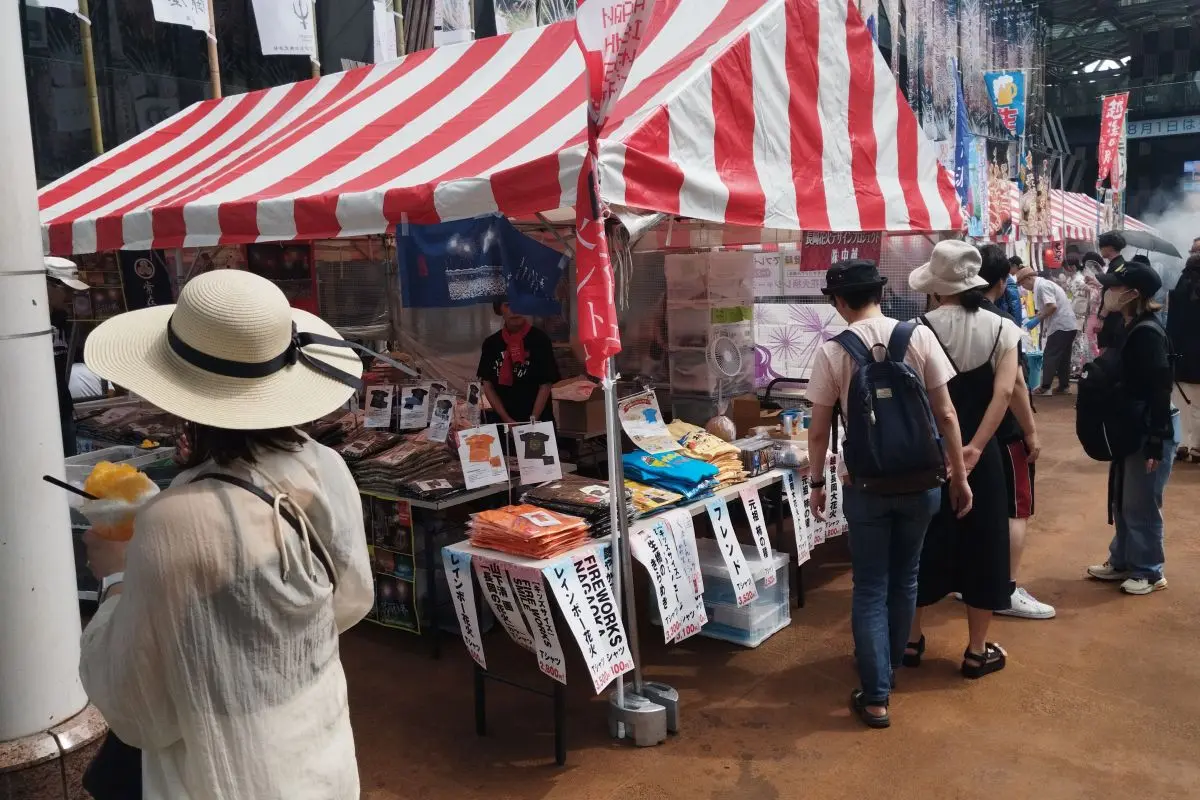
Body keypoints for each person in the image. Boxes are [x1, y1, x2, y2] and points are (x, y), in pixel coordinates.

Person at [78, 270, 374, 799]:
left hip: (227, 773)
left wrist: (116, 576)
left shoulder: (172, 520)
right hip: (318, 748)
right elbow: (351, 601)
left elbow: (138, 710)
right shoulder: (325, 465)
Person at [806, 259, 971, 728]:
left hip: (866, 487)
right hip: (922, 483)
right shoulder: (918, 337)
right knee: (905, 578)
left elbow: (818, 431)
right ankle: (889, 669)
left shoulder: (833, 351)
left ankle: (876, 694)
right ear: (880, 293)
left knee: (870, 586)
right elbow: (946, 415)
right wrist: (960, 476)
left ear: (839, 301)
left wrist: (816, 483)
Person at [906, 240, 1020, 679]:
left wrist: (949, 450)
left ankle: (911, 641)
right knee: (984, 546)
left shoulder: (915, 330)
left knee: (921, 544)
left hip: (931, 454)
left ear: (936, 288)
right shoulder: (1003, 328)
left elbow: (919, 399)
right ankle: (975, 652)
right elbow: (1005, 393)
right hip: (983, 457)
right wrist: (974, 448)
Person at [1086, 260, 1180, 595]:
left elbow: (1160, 388)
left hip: (1150, 424)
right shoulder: (1130, 326)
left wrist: (1156, 439)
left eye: (1114, 287)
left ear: (1133, 294)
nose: (1108, 292)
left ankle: (1149, 571)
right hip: (1132, 423)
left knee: (1141, 503)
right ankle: (1124, 560)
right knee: (1124, 499)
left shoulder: (1147, 333)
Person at [977, 246, 1055, 619]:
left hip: (963, 430)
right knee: (1015, 508)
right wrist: (1031, 432)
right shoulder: (1002, 323)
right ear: (1002, 280)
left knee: (973, 507)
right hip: (1005, 431)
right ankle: (1005, 590)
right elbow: (1016, 386)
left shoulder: (934, 321)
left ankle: (971, 580)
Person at [477, 299, 560, 425]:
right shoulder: (491, 344)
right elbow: (487, 385)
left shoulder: (540, 340)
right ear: (499, 309)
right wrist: (507, 420)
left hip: (538, 422)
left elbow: (546, 384)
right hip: (502, 422)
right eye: (508, 305)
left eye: (519, 304)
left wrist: (532, 421)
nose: (514, 310)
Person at [45, 257, 89, 457]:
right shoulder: (27, 326)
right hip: (38, 410)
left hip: (62, 406)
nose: (70, 296)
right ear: (48, 286)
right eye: (67, 290)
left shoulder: (63, 322)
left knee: (70, 462)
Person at [1016, 266, 1078, 395]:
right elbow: (1047, 308)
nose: (1023, 287)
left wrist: (1036, 320)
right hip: (1067, 325)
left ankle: (1045, 386)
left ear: (1029, 278)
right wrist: (1034, 318)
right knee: (1063, 357)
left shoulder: (1043, 286)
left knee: (1050, 355)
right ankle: (1063, 386)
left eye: (1023, 283)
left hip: (1061, 325)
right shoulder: (1043, 285)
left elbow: (1052, 306)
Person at [1167, 254, 1200, 462]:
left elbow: (1170, 326)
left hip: (1180, 355)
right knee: (1198, 405)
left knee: (1180, 403)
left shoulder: (1176, 293)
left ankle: (1182, 443)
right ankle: (1197, 447)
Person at [1097, 231, 1128, 349]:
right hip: (1115, 316)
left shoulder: (1117, 266)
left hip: (1112, 317)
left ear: (1109, 248)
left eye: (1101, 246)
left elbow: (1113, 294)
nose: (1100, 249)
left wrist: (1101, 318)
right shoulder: (1119, 264)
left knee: (1108, 350)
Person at [1001, 256, 1024, 322]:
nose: (1017, 272)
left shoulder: (999, 275)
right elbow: (1015, 305)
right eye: (1018, 269)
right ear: (1014, 266)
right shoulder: (1008, 281)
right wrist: (1017, 324)